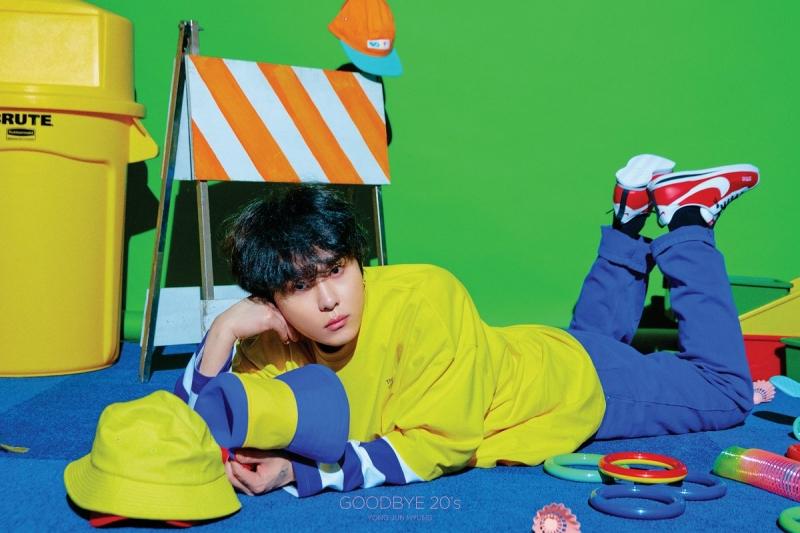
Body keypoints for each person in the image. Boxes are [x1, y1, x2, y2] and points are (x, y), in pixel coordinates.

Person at [175, 154, 759, 497]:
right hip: (528, 352)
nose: (329, 300)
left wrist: (303, 473)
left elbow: (438, 446)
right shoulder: (269, 338)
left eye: (337, 270)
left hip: (572, 389)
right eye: (301, 286)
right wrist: (222, 332)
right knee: (593, 339)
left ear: (359, 260)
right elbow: (194, 430)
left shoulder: (426, 296)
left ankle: (687, 218)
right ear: (270, 299)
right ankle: (629, 218)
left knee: (726, 392)